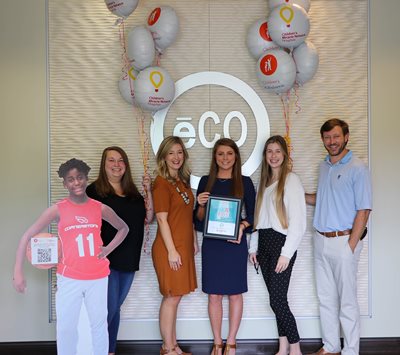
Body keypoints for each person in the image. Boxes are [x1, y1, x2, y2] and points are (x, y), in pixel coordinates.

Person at [13, 158, 129, 355]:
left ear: (86, 178)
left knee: (98, 325)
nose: (77, 183)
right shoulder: (58, 209)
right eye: (71, 179)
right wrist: (18, 271)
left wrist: (107, 249)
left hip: (97, 277)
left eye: (80, 177)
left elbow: (123, 228)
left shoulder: (99, 207)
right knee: (67, 327)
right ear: (65, 183)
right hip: (69, 277)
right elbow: (27, 235)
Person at [305, 119, 372, 355]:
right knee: (325, 299)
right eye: (327, 138)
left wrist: (350, 246)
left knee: (347, 302)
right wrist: (296, 194)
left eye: (335, 137)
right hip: (320, 240)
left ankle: (351, 351)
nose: (331, 142)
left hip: (344, 242)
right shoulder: (324, 166)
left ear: (346, 137)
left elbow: (364, 210)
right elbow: (322, 198)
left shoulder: (357, 167)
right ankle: (331, 346)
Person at [86, 146, 154, 355]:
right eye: (111, 160)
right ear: (103, 165)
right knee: (107, 309)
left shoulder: (133, 193)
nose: (117, 165)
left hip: (129, 259)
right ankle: (91, 348)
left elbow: (148, 219)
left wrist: (148, 191)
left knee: (114, 309)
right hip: (105, 259)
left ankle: (109, 350)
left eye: (120, 160)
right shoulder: (94, 192)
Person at [195, 138, 256, 355]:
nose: (225, 158)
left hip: (234, 245)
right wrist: (200, 205)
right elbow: (198, 220)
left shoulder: (245, 182)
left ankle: (231, 341)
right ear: (215, 157)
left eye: (229, 154)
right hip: (212, 246)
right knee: (214, 295)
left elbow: (254, 216)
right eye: (220, 154)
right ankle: (217, 342)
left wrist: (242, 225)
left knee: (235, 294)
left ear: (236, 156)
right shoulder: (205, 182)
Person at [248, 135, 306, 355]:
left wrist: (286, 254)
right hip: (264, 245)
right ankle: (283, 348)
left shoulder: (291, 181)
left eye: (277, 151)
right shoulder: (263, 183)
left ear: (284, 154)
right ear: (265, 155)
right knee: (275, 301)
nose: (273, 155)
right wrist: (253, 248)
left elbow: (299, 222)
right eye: (269, 151)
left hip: (282, 245)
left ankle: (296, 349)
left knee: (278, 299)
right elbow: (258, 220)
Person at [152, 136, 198, 355]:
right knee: (172, 296)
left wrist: (194, 240)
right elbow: (161, 219)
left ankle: (173, 346)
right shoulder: (161, 183)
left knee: (175, 297)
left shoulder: (181, 181)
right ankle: (167, 348)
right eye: (171, 153)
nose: (176, 157)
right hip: (169, 248)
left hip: (182, 246)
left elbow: (186, 215)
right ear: (163, 156)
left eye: (179, 152)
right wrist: (171, 251)